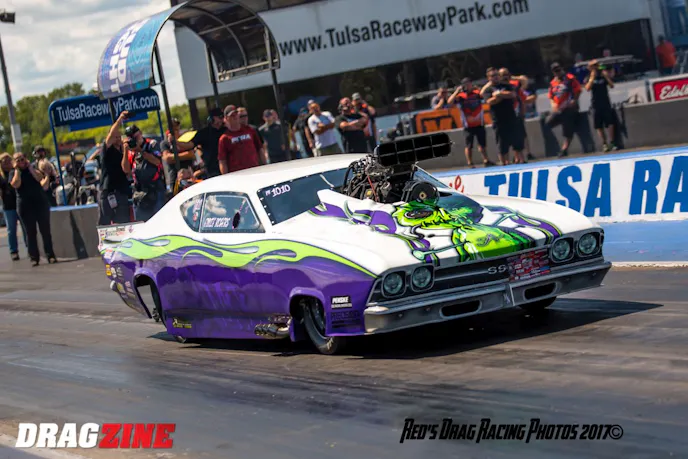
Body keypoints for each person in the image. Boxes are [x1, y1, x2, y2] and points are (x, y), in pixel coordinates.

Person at [9, 152, 56, 266]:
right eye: (18, 160)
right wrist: (17, 170)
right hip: (25, 205)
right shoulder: (13, 173)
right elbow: (16, 184)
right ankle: (34, 257)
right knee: (30, 232)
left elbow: (39, 178)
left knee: (45, 230)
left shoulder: (33, 168)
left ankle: (50, 255)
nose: (21, 162)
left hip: (39, 202)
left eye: (22, 159)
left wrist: (30, 167)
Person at [481, 68, 525, 165]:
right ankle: (505, 163)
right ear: (489, 78)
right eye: (493, 76)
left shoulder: (507, 85)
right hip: (498, 120)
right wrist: (501, 97)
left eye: (497, 75)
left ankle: (521, 160)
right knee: (502, 144)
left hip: (511, 117)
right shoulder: (488, 90)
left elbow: (512, 94)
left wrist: (499, 94)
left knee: (517, 141)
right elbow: (490, 101)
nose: (496, 77)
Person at [121, 125, 165, 222]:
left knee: (159, 220)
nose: (134, 140)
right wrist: (125, 151)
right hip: (140, 192)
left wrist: (140, 150)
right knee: (142, 223)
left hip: (155, 189)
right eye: (131, 138)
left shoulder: (151, 144)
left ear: (140, 133)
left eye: (135, 137)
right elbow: (126, 170)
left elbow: (157, 161)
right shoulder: (131, 151)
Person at [447, 78, 494, 167]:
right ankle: (470, 162)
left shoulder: (476, 94)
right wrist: (456, 91)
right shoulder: (461, 96)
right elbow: (450, 102)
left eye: (469, 84)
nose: (467, 86)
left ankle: (486, 160)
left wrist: (478, 88)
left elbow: (484, 95)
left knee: (482, 144)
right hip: (468, 125)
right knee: (469, 145)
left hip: (479, 123)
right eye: (465, 84)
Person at [99, 110, 132, 225]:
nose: (118, 139)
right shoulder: (107, 150)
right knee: (107, 226)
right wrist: (120, 119)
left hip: (121, 191)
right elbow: (111, 136)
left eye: (119, 136)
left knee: (123, 224)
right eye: (115, 137)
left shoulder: (123, 152)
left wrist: (126, 149)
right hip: (108, 191)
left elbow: (127, 170)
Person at [172, 107, 226, 178]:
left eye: (222, 117)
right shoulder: (204, 133)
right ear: (212, 118)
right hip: (212, 169)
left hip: (227, 165)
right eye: (220, 117)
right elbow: (190, 145)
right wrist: (176, 142)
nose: (222, 119)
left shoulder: (226, 130)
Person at [546, 62, 582, 158]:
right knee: (548, 122)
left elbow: (578, 90)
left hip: (569, 108)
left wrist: (574, 101)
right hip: (558, 108)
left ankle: (564, 149)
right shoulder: (553, 83)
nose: (558, 72)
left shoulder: (570, 79)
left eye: (559, 70)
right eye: (555, 71)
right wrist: (553, 105)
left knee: (568, 125)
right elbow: (550, 96)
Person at [218, 105, 266, 174]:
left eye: (236, 114)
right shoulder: (224, 138)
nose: (235, 117)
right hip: (238, 175)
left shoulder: (250, 130)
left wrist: (264, 166)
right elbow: (222, 161)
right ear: (226, 118)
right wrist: (226, 177)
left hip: (255, 171)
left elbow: (260, 149)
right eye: (232, 115)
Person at [585, 60, 618, 152]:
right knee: (598, 125)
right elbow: (587, 88)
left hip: (605, 102)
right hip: (596, 103)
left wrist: (606, 76)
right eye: (594, 66)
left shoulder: (603, 75)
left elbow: (612, 85)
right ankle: (604, 143)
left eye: (597, 65)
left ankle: (612, 142)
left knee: (610, 123)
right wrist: (592, 78)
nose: (596, 67)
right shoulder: (589, 77)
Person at [0, 153, 26, 261]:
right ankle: (13, 251)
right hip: (8, 206)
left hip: (20, 203)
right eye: (4, 161)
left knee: (25, 227)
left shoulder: (16, 171)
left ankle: (30, 247)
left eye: (8, 160)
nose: (7, 163)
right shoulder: (1, 176)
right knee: (11, 229)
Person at [161, 118, 196, 191]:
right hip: (175, 177)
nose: (176, 132)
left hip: (189, 176)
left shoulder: (185, 140)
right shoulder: (165, 143)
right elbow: (167, 158)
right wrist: (185, 155)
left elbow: (191, 154)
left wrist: (176, 143)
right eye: (174, 130)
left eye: (177, 129)